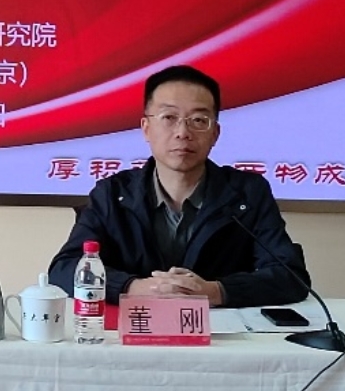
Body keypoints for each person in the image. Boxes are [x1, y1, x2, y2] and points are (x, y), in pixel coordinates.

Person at [47, 65, 309, 308]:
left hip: (221, 336)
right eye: (169, 117)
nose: (183, 132)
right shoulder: (112, 193)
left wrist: (216, 291)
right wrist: (133, 287)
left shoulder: (248, 193)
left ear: (215, 133)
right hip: (134, 331)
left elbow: (290, 276)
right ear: (146, 128)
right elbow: (64, 269)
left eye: (198, 120)